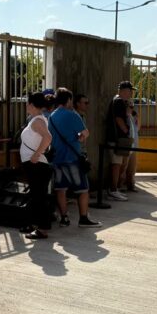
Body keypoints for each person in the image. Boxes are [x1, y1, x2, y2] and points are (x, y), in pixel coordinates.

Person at [48, 88, 100, 228]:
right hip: (72, 158)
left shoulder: (51, 116)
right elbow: (85, 133)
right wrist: (79, 137)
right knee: (82, 189)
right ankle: (83, 218)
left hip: (57, 158)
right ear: (69, 100)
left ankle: (64, 218)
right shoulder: (73, 115)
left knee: (60, 189)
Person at [19, 92, 54, 240]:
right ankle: (36, 224)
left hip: (36, 164)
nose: (26, 106)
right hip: (36, 164)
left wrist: (36, 154)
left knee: (39, 196)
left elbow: (48, 137)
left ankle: (43, 228)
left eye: (28, 103)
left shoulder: (37, 121)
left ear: (32, 105)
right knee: (37, 196)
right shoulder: (37, 120)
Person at [106, 81, 133, 202]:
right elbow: (119, 119)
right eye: (129, 91)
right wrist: (126, 130)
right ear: (122, 91)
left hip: (117, 138)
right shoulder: (118, 102)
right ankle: (113, 190)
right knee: (116, 164)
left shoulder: (120, 102)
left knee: (119, 164)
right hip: (116, 138)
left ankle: (115, 188)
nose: (130, 93)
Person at [125, 100, 140, 192]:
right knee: (124, 167)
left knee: (132, 167)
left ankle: (131, 185)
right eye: (130, 106)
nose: (132, 108)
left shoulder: (132, 117)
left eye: (133, 106)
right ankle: (120, 186)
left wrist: (138, 118)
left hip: (134, 145)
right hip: (128, 145)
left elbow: (137, 128)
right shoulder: (125, 117)